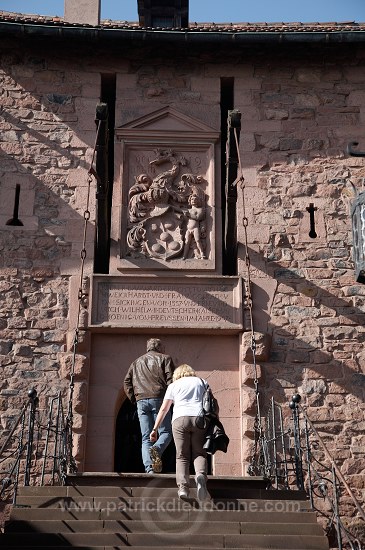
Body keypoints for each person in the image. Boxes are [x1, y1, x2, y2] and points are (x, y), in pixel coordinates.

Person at [149, 364, 210, 501]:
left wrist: (155, 429)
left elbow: (164, 409)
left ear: (177, 374)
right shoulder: (202, 382)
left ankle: (183, 488)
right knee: (199, 453)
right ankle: (200, 475)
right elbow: (211, 403)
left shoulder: (173, 385)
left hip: (179, 419)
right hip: (199, 419)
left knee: (182, 455)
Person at [124, 338, 175, 474]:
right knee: (166, 432)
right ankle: (157, 449)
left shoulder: (136, 362)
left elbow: (127, 381)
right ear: (159, 347)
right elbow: (171, 381)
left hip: (141, 401)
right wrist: (172, 399)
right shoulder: (165, 359)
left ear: (148, 348)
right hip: (159, 398)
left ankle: (149, 469)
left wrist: (134, 399)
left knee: (146, 437)